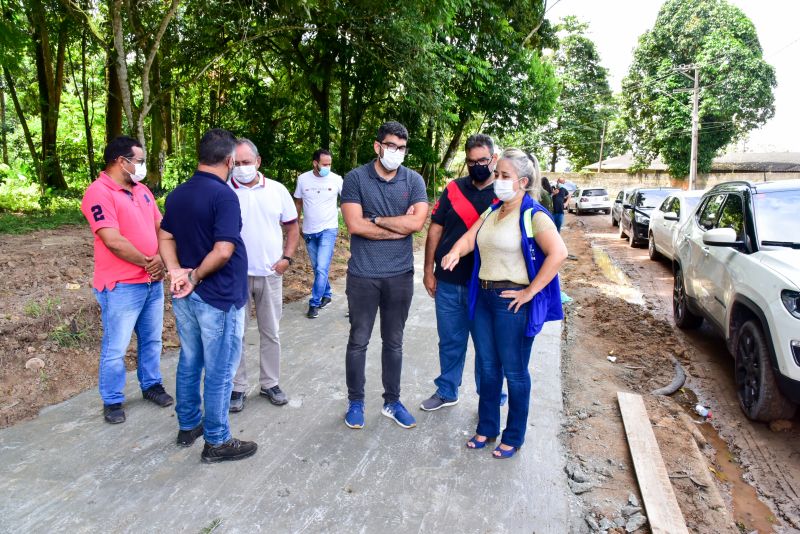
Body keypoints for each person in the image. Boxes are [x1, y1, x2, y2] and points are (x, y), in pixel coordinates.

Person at [441, 149, 567, 459]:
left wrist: (530, 293)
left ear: (522, 182)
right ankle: (486, 427)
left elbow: (559, 253)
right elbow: (471, 238)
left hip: (511, 303)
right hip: (483, 298)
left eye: (504, 176)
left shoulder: (534, 214)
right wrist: (456, 250)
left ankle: (513, 436)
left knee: (515, 371)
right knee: (487, 366)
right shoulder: (492, 211)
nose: (497, 180)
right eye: (497, 174)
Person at [159, 128, 257, 463]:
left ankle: (189, 425)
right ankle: (216, 440)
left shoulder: (178, 194)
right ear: (230, 160)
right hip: (217, 295)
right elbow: (224, 250)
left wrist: (176, 272)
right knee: (220, 368)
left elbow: (165, 236)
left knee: (190, 359)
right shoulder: (224, 196)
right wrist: (196, 276)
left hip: (186, 295)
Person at [340, 121, 429, 429]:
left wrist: (375, 219)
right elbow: (355, 225)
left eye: (401, 148)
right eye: (391, 146)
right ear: (377, 146)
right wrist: (396, 227)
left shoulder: (414, 180)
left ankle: (392, 402)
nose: (396, 152)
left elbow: (416, 225)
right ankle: (356, 402)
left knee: (394, 342)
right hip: (363, 276)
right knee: (358, 341)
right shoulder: (355, 179)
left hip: (400, 276)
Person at [80, 136, 173, 424]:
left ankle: (151, 385)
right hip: (121, 286)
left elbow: (161, 226)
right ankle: (112, 399)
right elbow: (113, 240)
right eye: (140, 160)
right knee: (116, 346)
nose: (142, 166)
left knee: (152, 339)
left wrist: (161, 258)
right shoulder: (98, 193)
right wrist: (151, 262)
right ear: (122, 161)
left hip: (151, 283)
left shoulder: (142, 190)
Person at [420, 133, 500, 411]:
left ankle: (489, 397)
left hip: (486, 285)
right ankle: (446, 390)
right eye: (471, 161)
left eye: (483, 160)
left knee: (487, 347)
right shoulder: (453, 189)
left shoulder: (503, 195)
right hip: (449, 282)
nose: (477, 165)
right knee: (450, 341)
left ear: (494, 159)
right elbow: (435, 230)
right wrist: (428, 270)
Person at [228, 138, 299, 412]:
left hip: (271, 273)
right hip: (235, 276)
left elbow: (292, 227)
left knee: (271, 332)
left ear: (258, 162)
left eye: (247, 162)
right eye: (237, 163)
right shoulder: (224, 190)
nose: (242, 168)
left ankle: (270, 383)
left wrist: (286, 258)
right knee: (237, 334)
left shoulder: (277, 190)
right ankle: (238, 387)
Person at [294, 149, 343, 319]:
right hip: (308, 230)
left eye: (330, 164)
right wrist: (296, 224)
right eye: (324, 164)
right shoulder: (303, 179)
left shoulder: (337, 179)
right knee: (318, 268)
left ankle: (314, 303)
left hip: (328, 229)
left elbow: (348, 201)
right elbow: (298, 202)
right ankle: (327, 293)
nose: (327, 167)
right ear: (315, 163)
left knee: (322, 267)